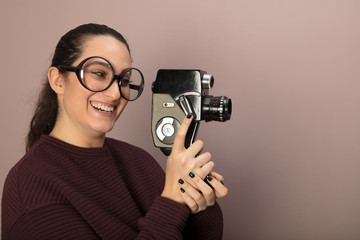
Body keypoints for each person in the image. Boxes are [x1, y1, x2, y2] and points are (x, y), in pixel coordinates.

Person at [1, 23, 228, 240]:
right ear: (58, 80)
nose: (114, 94)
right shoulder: (31, 189)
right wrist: (171, 199)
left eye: (124, 80)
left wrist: (197, 201)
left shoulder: (138, 161)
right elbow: (168, 215)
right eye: (99, 74)